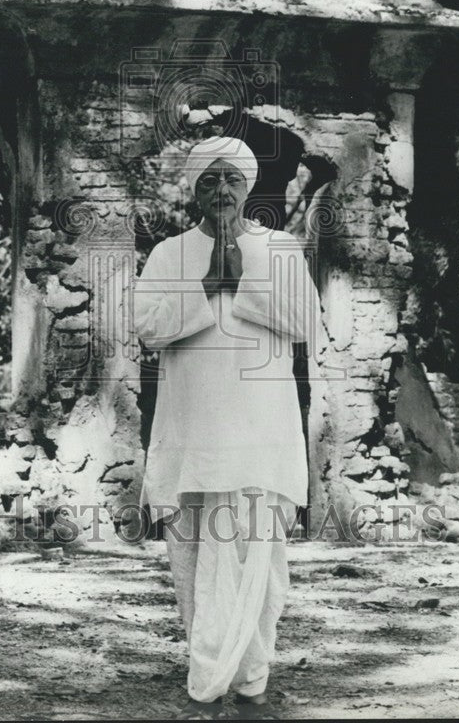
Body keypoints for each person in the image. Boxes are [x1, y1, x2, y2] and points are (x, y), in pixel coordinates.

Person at [133, 136, 321, 720]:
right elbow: (148, 329)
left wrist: (242, 279)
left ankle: (251, 680)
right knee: (192, 557)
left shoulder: (281, 247)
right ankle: (211, 675)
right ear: (194, 190)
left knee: (260, 564)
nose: (221, 189)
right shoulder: (169, 253)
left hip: (262, 433)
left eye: (231, 179)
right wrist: (207, 283)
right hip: (192, 432)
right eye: (208, 180)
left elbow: (305, 322)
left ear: (247, 187)